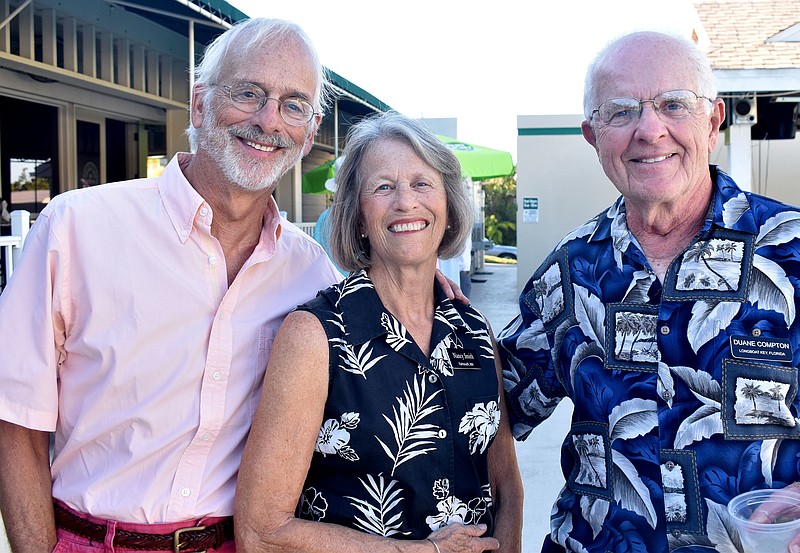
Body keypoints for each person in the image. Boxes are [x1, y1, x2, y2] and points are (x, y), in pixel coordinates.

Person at [498, 31, 800, 553]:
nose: (649, 130)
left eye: (674, 104)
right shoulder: (569, 273)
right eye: (621, 111)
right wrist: (416, 294)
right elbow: (489, 407)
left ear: (713, 122)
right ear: (592, 137)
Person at [0, 18, 342, 553]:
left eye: (293, 105)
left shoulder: (312, 273)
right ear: (200, 104)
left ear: (310, 132)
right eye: (248, 93)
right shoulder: (77, 229)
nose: (268, 120)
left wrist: (421, 281)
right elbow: (15, 419)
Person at [235, 112, 523, 553]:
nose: (406, 202)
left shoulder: (474, 331)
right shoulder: (314, 336)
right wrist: (425, 552)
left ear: (449, 206)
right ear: (357, 216)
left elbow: (506, 490)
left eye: (422, 184)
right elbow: (261, 532)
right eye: (383, 187)